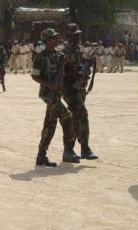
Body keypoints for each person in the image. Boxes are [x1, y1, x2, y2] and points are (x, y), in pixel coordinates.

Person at [31, 28, 80, 166]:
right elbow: (34, 75)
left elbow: (62, 73)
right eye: (53, 38)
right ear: (47, 40)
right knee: (67, 116)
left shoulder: (59, 55)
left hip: (56, 93)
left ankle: (41, 155)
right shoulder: (41, 56)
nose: (56, 40)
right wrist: (49, 84)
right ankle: (68, 150)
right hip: (48, 94)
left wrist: (64, 64)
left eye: (56, 37)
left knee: (50, 124)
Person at [62, 23, 98, 160]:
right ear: (69, 36)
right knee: (81, 114)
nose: (78, 37)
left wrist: (87, 68)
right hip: (69, 88)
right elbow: (60, 71)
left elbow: (82, 65)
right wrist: (76, 75)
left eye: (78, 35)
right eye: (75, 35)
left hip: (80, 88)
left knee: (75, 117)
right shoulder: (65, 52)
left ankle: (77, 149)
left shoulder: (79, 50)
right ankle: (77, 148)